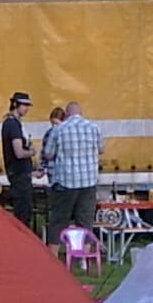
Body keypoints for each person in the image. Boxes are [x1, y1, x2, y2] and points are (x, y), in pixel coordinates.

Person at [41, 98, 104, 243]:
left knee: (58, 221)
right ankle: (84, 260)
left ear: (67, 114)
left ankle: (53, 258)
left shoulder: (58, 130)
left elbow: (48, 154)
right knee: (85, 222)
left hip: (65, 183)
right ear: (81, 113)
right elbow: (101, 149)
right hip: (88, 183)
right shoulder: (94, 128)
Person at [0, 91, 35, 225]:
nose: (26, 109)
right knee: (23, 213)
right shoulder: (13, 125)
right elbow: (19, 152)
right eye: (24, 105)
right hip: (19, 176)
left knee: (23, 211)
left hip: (19, 174)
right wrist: (32, 152)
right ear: (15, 104)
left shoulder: (13, 123)